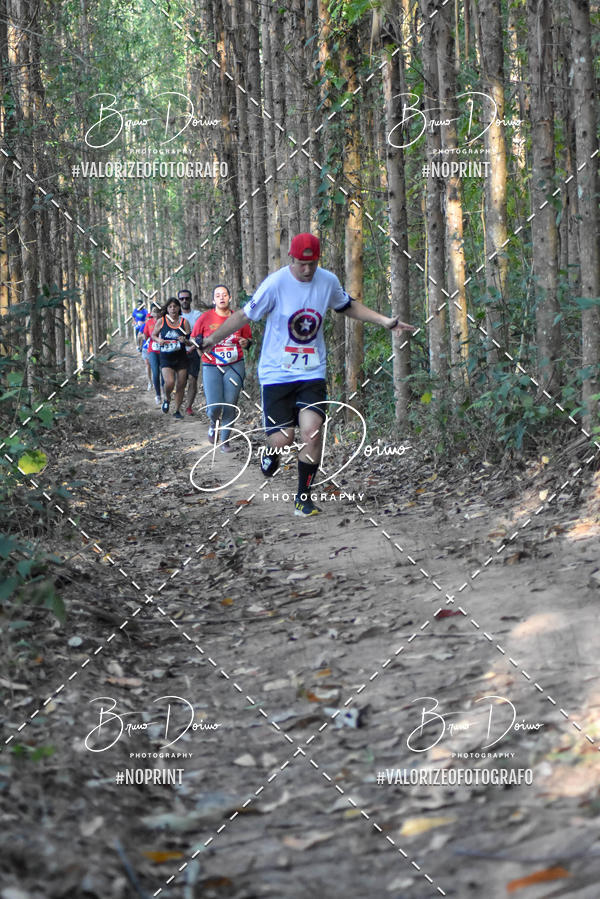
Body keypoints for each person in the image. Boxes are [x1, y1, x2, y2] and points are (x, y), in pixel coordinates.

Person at [200, 233, 416, 516]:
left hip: (312, 371)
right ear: (292, 259)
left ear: (318, 260)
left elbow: (347, 305)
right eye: (302, 263)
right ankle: (270, 453)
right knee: (283, 439)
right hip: (276, 374)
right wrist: (212, 339)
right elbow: (243, 315)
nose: (307, 269)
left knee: (312, 433)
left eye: (312, 263)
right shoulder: (276, 284)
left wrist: (384, 321)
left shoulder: (327, 281)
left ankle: (303, 498)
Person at [191, 284, 252, 453]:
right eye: (217, 295)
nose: (221, 298)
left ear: (230, 298)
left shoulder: (239, 319)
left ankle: (225, 440)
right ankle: (213, 422)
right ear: (213, 300)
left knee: (230, 403)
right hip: (211, 366)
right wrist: (201, 352)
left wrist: (246, 343)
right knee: (214, 406)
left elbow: (248, 340)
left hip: (234, 365)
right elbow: (195, 341)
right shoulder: (205, 318)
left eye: (224, 295)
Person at [151, 297, 190, 419]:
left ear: (179, 308)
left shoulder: (184, 322)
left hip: (181, 356)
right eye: (170, 307)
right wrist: (159, 340)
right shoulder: (162, 321)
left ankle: (177, 410)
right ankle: (167, 398)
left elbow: (190, 341)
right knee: (170, 382)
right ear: (167, 309)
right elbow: (153, 335)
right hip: (166, 356)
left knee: (181, 384)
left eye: (175, 306)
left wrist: (185, 340)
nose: (173, 309)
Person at [178, 288, 202, 416]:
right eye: (182, 298)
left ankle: (188, 406)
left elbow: (200, 334)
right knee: (181, 380)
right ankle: (177, 403)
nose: (184, 300)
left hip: (193, 351)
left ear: (191, 299)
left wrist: (193, 347)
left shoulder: (197, 315)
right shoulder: (174, 316)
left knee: (193, 379)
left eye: (187, 298)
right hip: (178, 352)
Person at [142, 302, 163, 406]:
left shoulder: (166, 321)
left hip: (164, 350)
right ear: (152, 313)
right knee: (155, 372)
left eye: (159, 311)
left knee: (164, 372)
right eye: (155, 311)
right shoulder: (149, 323)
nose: (157, 314)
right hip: (152, 350)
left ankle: (165, 393)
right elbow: (145, 335)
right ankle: (158, 395)